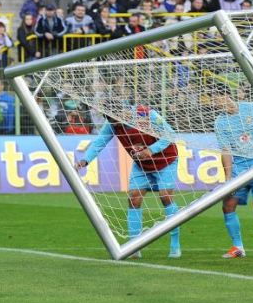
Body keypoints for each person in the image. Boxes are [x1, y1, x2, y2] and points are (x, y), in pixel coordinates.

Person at [77, 102, 182, 259]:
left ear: (123, 111)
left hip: (166, 161)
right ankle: (134, 247)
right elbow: (100, 141)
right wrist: (84, 161)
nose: (113, 123)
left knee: (165, 197)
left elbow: (170, 134)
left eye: (115, 119)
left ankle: (175, 245)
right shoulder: (112, 123)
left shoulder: (146, 114)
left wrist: (151, 150)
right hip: (142, 165)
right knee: (133, 198)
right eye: (109, 120)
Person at [213, 87, 253, 259]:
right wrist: (228, 179)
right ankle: (237, 247)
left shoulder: (252, 108)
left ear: (226, 95)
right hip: (239, 169)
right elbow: (226, 151)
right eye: (213, 100)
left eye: (216, 98)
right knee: (227, 206)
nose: (215, 103)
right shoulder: (220, 122)